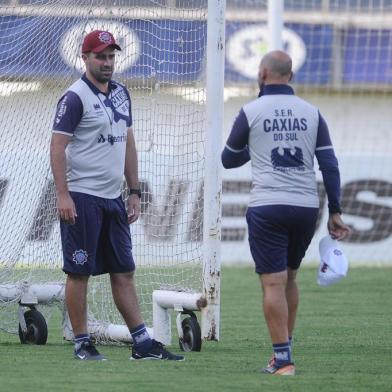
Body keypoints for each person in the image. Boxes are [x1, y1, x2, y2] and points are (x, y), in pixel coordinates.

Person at [50, 30, 184, 361]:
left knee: (124, 270)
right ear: (85, 58)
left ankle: (141, 343)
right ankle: (82, 343)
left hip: (113, 199)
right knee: (78, 272)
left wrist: (134, 190)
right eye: (100, 56)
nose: (108, 62)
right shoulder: (73, 97)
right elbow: (57, 147)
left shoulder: (122, 94)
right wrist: (63, 195)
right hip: (82, 198)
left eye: (111, 56)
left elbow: (128, 143)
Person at [221, 51, 350, 375]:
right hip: (306, 207)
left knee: (273, 284)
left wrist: (259, 145)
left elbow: (228, 159)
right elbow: (330, 165)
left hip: (268, 206)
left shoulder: (251, 111)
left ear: (262, 73)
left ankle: (282, 360)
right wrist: (335, 210)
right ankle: (284, 349)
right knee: (290, 277)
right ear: (290, 76)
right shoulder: (311, 112)